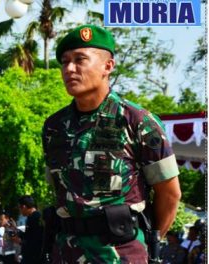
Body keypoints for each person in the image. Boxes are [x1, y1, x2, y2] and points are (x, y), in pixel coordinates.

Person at [42, 24, 181, 263]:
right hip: (67, 253)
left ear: (108, 66)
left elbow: (169, 194)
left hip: (121, 254)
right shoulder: (54, 127)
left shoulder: (138, 122)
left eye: (80, 60)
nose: (69, 69)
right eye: (64, 62)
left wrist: (144, 241)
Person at [17, 195, 44, 264]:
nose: (19, 211)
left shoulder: (35, 218)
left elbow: (33, 241)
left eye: (19, 208)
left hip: (33, 258)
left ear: (24, 207)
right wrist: (16, 230)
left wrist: (19, 241)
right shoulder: (32, 217)